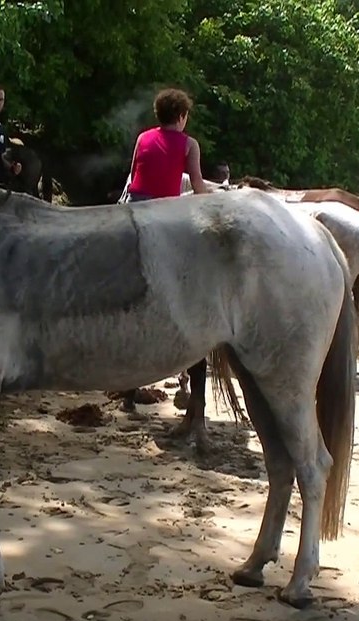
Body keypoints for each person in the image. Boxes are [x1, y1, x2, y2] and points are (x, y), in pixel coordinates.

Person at [118, 87, 212, 413]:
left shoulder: (143, 138)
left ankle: (127, 391)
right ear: (183, 116)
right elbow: (198, 186)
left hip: (135, 212)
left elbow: (132, 179)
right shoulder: (189, 144)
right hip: (166, 217)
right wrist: (219, 199)